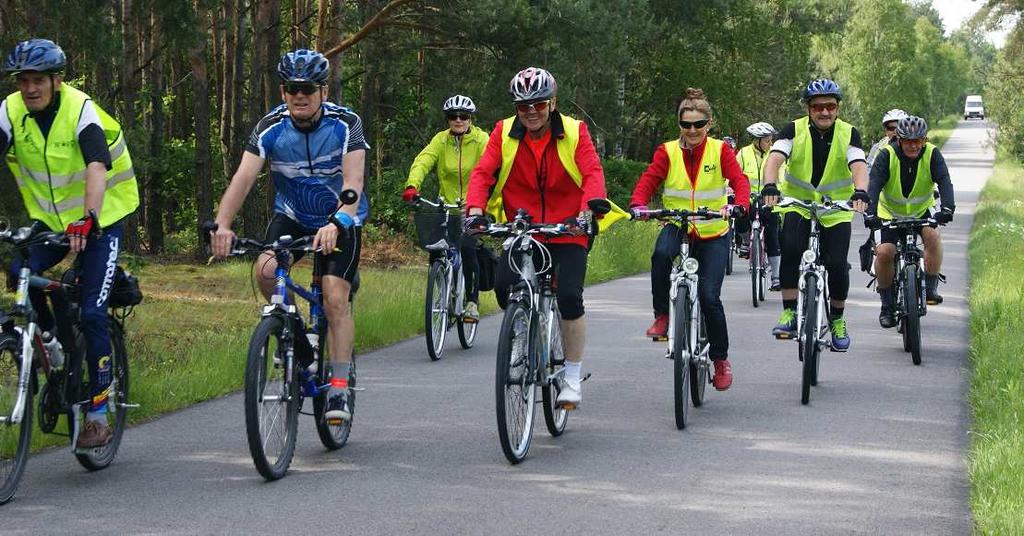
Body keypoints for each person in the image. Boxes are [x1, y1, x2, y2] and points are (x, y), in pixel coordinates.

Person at [210, 49, 368, 424]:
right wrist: (223, 224)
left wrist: (338, 222)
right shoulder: (270, 126)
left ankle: (339, 388)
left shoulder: (346, 123)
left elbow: (353, 183)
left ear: (323, 91)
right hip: (293, 217)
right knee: (265, 271)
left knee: (333, 296)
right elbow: (243, 178)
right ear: (283, 92)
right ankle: (296, 335)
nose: (300, 95)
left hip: (340, 218)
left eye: (308, 88)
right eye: (292, 88)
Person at [1, 39, 140, 448]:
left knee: (94, 314)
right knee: (19, 272)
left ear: (55, 81)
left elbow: (97, 166)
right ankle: (53, 348)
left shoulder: (81, 111)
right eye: (23, 81)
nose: (30, 89)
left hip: (102, 218)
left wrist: (88, 219)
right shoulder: (9, 113)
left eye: (38, 80)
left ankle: (99, 412)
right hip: (51, 220)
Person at [464, 67, 607, 408]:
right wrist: (474, 210)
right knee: (503, 286)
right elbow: (483, 172)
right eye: (523, 106)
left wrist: (589, 211)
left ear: (552, 103)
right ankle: (520, 330)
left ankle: (571, 375)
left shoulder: (575, 131)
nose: (531, 112)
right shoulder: (503, 133)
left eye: (539, 104)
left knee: (570, 297)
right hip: (523, 226)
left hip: (568, 226)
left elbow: (592, 172)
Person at [629, 88, 750, 391]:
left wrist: (740, 203)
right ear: (680, 125)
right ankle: (662, 316)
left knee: (710, 297)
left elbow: (739, 181)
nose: (692, 130)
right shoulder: (667, 151)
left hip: (713, 231)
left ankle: (720, 360)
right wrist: (638, 204)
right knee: (659, 256)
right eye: (687, 125)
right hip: (678, 225)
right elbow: (649, 179)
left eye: (699, 124)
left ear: (709, 124)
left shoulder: (721, 150)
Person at [761, 78, 870, 351]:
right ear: (809, 108)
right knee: (790, 249)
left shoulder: (849, 133)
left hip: (835, 209)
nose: (825, 112)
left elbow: (858, 164)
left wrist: (860, 191)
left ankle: (837, 319)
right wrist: (770, 184)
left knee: (836, 264)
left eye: (830, 106)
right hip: (799, 204)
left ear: (837, 108)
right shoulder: (793, 129)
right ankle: (789, 312)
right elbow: (775, 157)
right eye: (818, 107)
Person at [402, 95, 489, 321]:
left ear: (471, 118)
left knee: (469, 250)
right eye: (453, 116)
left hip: (473, 207)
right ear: (447, 119)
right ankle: (441, 287)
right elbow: (424, 161)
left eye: (463, 116)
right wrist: (412, 185)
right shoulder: (441, 140)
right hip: (447, 205)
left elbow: (491, 168)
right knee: (437, 249)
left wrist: (489, 199)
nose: (458, 120)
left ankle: (471, 302)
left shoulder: (482, 140)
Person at [864, 115, 955, 327]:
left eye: (918, 141)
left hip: (921, 211)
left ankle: (931, 287)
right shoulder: (886, 155)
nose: (913, 146)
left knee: (933, 236)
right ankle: (887, 305)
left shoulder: (932, 154)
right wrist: (870, 213)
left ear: (924, 140)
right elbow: (874, 185)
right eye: (908, 141)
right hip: (889, 213)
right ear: (899, 139)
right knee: (886, 252)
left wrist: (948, 208)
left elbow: (944, 181)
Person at [735, 121, 782, 290]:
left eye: (771, 140)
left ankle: (776, 277)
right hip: (747, 197)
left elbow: (782, 175)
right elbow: (734, 174)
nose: (771, 143)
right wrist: (728, 187)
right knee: (739, 216)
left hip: (770, 199)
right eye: (768, 140)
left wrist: (780, 192)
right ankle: (747, 241)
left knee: (772, 234)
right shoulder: (743, 153)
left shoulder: (775, 154)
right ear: (757, 140)